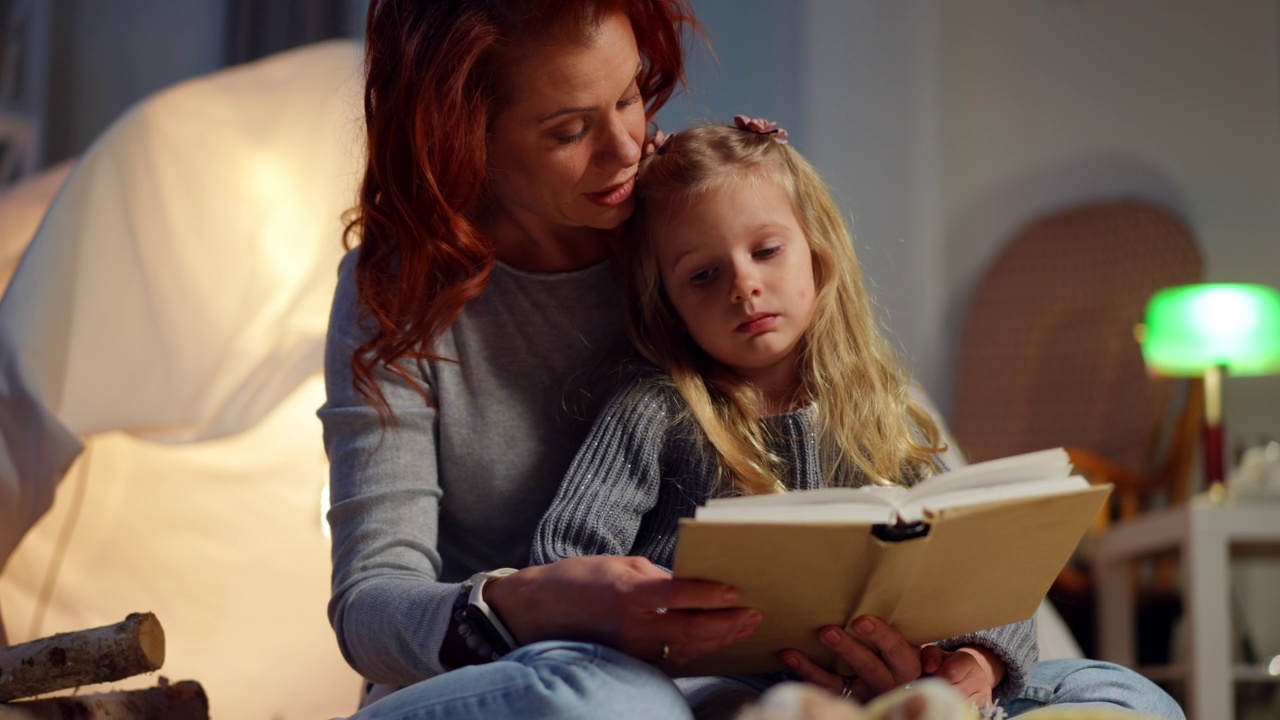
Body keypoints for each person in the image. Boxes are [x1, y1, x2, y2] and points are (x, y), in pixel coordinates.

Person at [529, 118, 1186, 720]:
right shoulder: (656, 412)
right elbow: (564, 558)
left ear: (815, 254)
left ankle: (929, 707)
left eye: (766, 251)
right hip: (725, 683)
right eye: (702, 275)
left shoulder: (880, 406)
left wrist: (979, 663)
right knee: (726, 705)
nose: (743, 286)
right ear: (668, 303)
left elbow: (989, 579)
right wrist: (660, 609)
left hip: (899, 673)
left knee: (1126, 691)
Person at [321, 2, 764, 719]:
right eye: (569, 130)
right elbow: (369, 607)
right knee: (606, 699)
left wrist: (964, 657)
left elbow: (905, 455)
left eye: (629, 97)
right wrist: (531, 604)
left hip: (714, 689)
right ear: (466, 141)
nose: (627, 147)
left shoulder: (700, 221)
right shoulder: (397, 293)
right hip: (514, 689)